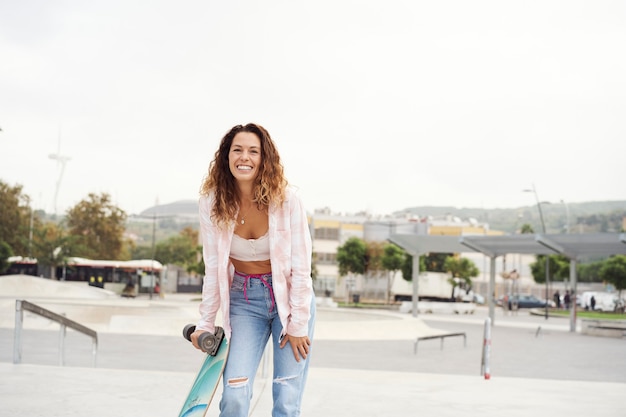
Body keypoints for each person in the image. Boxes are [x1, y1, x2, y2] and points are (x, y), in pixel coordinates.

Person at [190, 123, 316, 417]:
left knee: (286, 398)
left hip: (290, 304)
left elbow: (301, 267)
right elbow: (213, 269)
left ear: (264, 159)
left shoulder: (287, 201)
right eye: (237, 150)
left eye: (253, 151)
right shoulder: (211, 204)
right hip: (245, 302)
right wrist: (205, 324)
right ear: (226, 157)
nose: (244, 157)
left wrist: (298, 325)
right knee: (234, 395)